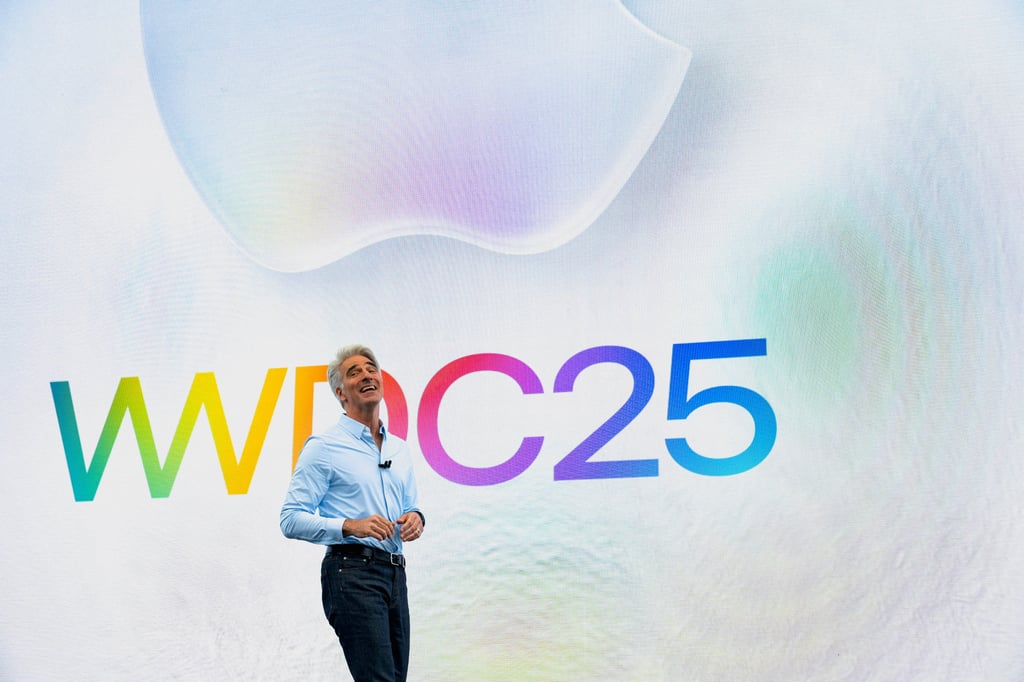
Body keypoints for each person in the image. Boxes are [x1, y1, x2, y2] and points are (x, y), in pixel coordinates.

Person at [281, 344, 425, 682]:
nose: (366, 374)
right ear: (340, 393)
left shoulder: (399, 449)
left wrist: (416, 517)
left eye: (370, 368)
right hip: (351, 573)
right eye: (354, 372)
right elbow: (290, 518)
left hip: (394, 576)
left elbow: (410, 506)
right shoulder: (324, 447)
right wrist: (349, 525)